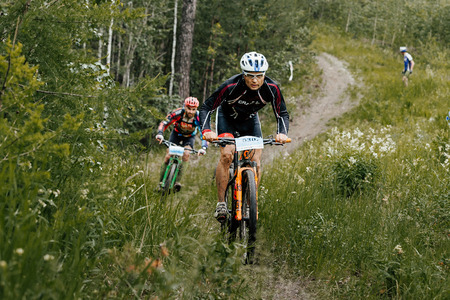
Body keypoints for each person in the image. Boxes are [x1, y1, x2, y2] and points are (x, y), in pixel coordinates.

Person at [199, 51, 289, 222]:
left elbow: (281, 113)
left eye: (259, 76)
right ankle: (221, 204)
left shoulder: (272, 88)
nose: (255, 80)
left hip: (250, 121)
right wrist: (207, 131)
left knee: (256, 160)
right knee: (227, 154)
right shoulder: (230, 86)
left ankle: (250, 203)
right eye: (250, 76)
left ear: (264, 75)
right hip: (227, 119)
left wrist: (282, 133)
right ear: (243, 74)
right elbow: (206, 108)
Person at [156, 97, 207, 192]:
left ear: (196, 109)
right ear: (185, 107)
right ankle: (160, 183)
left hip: (189, 137)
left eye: (193, 109)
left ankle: (177, 181)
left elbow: (204, 132)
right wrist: (160, 134)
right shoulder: (178, 113)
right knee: (168, 156)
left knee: (186, 154)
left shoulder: (198, 117)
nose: (191, 111)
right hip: (176, 135)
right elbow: (164, 122)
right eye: (189, 108)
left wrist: (204, 147)